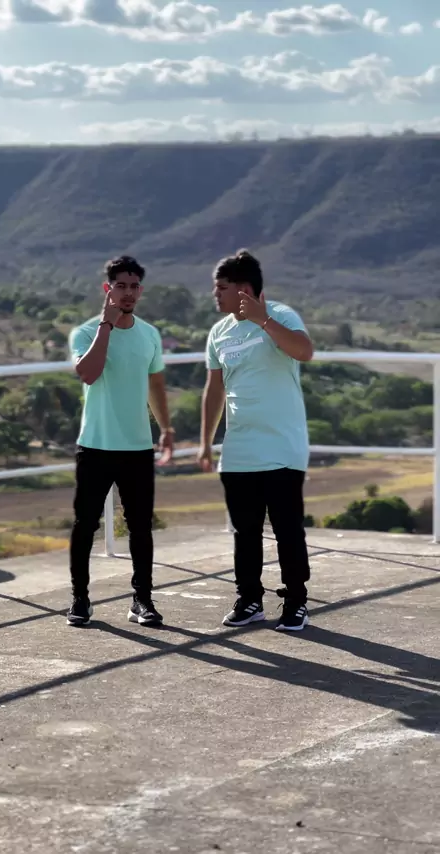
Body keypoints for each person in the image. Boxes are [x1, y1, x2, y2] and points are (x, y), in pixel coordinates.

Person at [198, 249, 313, 632]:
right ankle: (249, 600)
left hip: (282, 447)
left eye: (222, 288)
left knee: (287, 529)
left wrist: (263, 320)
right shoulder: (219, 332)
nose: (215, 295)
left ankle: (296, 602)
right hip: (239, 450)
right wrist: (205, 442)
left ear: (244, 290)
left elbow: (304, 351)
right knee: (244, 532)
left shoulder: (281, 315)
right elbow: (214, 390)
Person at [67, 255, 174, 627]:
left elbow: (155, 385)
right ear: (107, 288)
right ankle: (80, 599)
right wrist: (106, 326)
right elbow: (88, 373)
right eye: (120, 286)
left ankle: (142, 600)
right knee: (85, 525)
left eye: (134, 286)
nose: (128, 293)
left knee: (141, 527)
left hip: (138, 448)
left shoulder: (150, 335)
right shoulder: (85, 333)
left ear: (140, 291)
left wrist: (167, 428)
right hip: (95, 445)